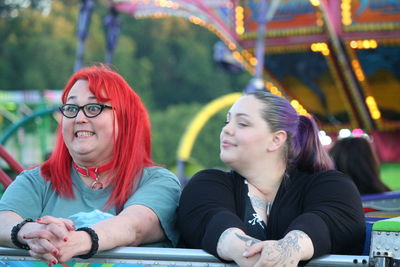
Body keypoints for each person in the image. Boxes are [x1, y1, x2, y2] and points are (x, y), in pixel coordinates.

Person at [0, 65, 181, 265]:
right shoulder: (37, 180)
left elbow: (132, 227)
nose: (79, 118)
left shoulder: (158, 182)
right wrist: (32, 232)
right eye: (71, 108)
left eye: (94, 108)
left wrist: (78, 241)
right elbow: (3, 220)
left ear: (125, 119)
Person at [177, 91, 365, 266]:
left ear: (276, 140)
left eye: (242, 123)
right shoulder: (207, 184)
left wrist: (289, 249)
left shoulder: (331, 186)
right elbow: (217, 225)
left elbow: (323, 224)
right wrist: (254, 253)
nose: (227, 130)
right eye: (227, 122)